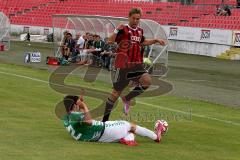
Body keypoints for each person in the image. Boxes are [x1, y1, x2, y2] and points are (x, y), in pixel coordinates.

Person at [102, 8, 166, 122]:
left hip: (137, 64)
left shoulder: (140, 30)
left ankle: (127, 99)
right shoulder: (123, 29)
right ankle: (104, 121)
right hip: (123, 66)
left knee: (147, 81)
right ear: (129, 17)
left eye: (138, 19)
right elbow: (110, 41)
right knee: (115, 94)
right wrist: (116, 30)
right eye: (134, 18)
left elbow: (142, 42)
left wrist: (155, 40)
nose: (136, 21)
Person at [62, 95, 168, 146]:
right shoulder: (76, 116)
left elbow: (82, 120)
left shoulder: (66, 117)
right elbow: (88, 121)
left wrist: (80, 106)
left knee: (126, 130)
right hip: (103, 130)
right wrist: (84, 105)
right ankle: (156, 137)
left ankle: (127, 139)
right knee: (129, 126)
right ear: (75, 104)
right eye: (78, 102)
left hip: (96, 137)